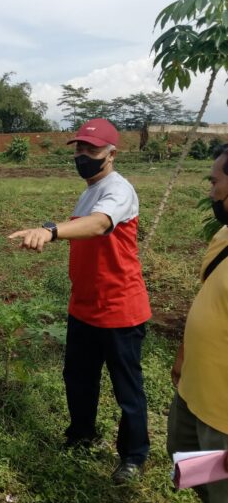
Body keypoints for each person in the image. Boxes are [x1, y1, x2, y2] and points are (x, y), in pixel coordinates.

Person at [9, 118, 151, 484]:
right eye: (80, 149)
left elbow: (100, 225)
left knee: (127, 390)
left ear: (112, 153)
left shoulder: (118, 189)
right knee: (79, 378)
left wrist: (51, 231)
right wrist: (50, 230)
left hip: (120, 307)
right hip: (85, 305)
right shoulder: (89, 190)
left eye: (92, 149)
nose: (83, 156)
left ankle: (133, 456)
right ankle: (82, 434)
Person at [167, 145, 228, 503]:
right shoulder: (223, 238)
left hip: (222, 419)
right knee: (196, 478)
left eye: (215, 182)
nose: (211, 192)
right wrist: (183, 356)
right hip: (193, 396)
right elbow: (207, 301)